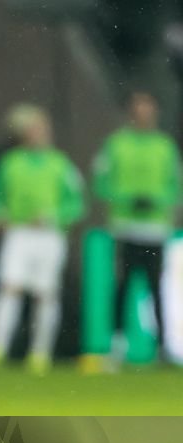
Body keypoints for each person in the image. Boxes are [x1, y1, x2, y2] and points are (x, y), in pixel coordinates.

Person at [0, 104, 86, 374]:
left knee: (45, 294)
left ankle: (40, 353)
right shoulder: (10, 162)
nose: (38, 134)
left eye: (42, 129)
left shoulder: (60, 164)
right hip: (19, 232)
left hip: (49, 236)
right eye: (33, 129)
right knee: (9, 287)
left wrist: (55, 217)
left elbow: (76, 202)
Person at [92, 91, 181, 347]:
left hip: (155, 227)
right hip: (125, 226)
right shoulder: (116, 144)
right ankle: (117, 343)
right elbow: (100, 182)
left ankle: (163, 345)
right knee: (123, 285)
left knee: (155, 287)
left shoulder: (165, 146)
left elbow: (175, 185)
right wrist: (127, 198)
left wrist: (158, 201)